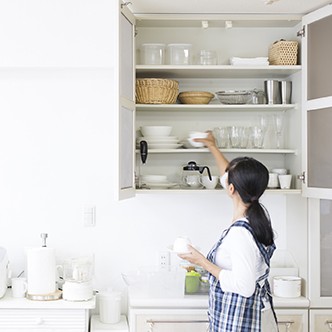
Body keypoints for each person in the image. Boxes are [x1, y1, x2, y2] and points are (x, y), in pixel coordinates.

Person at [178, 131, 278, 332]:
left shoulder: (240, 234)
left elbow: (245, 286)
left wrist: (202, 262)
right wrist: (212, 146)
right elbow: (228, 177)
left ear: (232, 189)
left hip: (239, 324)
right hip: (253, 319)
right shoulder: (258, 220)